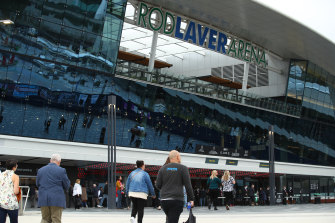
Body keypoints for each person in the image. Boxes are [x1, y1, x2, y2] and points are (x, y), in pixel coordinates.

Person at [156, 150, 194, 223]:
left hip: (164, 200)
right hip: (177, 199)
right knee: (173, 220)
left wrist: (166, 189)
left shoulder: (162, 168)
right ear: (177, 157)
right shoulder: (183, 168)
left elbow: (158, 185)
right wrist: (191, 199)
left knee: (170, 219)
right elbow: (188, 185)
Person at [36, 154, 70, 223]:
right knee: (56, 219)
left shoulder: (40, 170)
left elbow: (37, 184)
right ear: (59, 161)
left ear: (50, 160)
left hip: (44, 198)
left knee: (45, 219)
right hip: (56, 199)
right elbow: (67, 185)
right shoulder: (61, 170)